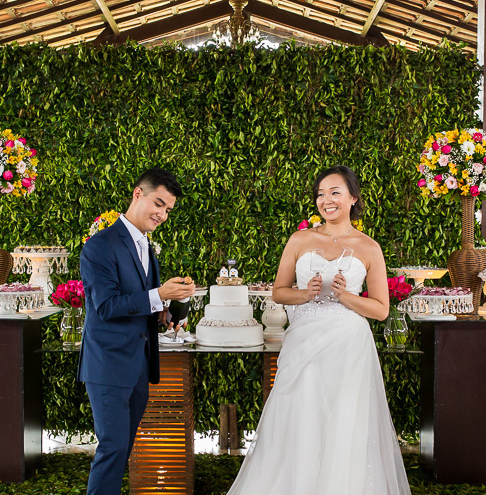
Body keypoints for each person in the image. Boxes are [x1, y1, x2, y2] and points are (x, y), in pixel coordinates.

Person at [226, 165, 410, 494]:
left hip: (348, 344)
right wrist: (305, 294)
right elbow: (279, 292)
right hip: (304, 340)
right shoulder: (300, 239)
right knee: (300, 413)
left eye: (335, 192)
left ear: (353, 198)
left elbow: (381, 310)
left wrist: (346, 296)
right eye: (321, 194)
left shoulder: (370, 248)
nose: (326, 200)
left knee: (344, 419)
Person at [78, 168, 195, 495]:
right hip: (107, 365)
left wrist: (166, 313)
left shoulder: (146, 246)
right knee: (112, 448)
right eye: (158, 203)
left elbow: (140, 303)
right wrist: (161, 295)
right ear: (137, 194)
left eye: (168, 210)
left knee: (121, 449)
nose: (162, 214)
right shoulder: (99, 246)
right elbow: (107, 306)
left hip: (139, 367)